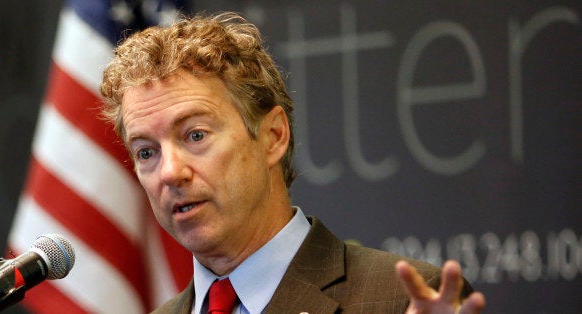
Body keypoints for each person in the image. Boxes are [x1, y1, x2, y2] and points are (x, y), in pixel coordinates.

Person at [100, 12, 486, 314]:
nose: (170, 172)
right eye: (146, 152)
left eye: (195, 135)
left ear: (273, 137)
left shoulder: (399, 301)